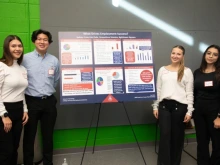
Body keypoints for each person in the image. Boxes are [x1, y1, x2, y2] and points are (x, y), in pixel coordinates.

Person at [22, 29, 60, 165]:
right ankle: (28, 162)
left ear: (49, 43)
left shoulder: (54, 60)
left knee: (48, 136)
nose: (42, 42)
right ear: (34, 41)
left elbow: (55, 80)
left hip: (49, 102)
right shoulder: (25, 59)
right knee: (29, 136)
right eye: (39, 39)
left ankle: (48, 162)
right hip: (31, 102)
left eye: (45, 39)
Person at [152, 45, 194, 165]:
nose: (175, 56)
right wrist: (155, 106)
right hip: (164, 106)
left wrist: (189, 111)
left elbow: (189, 92)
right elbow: (158, 89)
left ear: (182, 56)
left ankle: (175, 162)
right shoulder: (162, 70)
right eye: (173, 53)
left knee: (177, 137)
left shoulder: (187, 71)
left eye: (178, 54)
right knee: (165, 135)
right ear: (170, 54)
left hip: (180, 108)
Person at [0, 35, 29, 165]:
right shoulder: (1, 66)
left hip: (18, 111)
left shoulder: (22, 68)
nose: (17, 49)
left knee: (15, 148)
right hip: (5, 111)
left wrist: (25, 109)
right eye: (13, 46)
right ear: (7, 48)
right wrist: (4, 115)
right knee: (6, 150)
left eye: (19, 46)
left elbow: (21, 92)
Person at [194, 44, 220, 165]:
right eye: (209, 53)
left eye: (215, 54)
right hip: (199, 112)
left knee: (217, 142)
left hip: (215, 112)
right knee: (202, 141)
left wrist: (219, 117)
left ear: (218, 57)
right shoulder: (197, 72)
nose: (211, 56)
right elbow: (194, 93)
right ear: (205, 54)